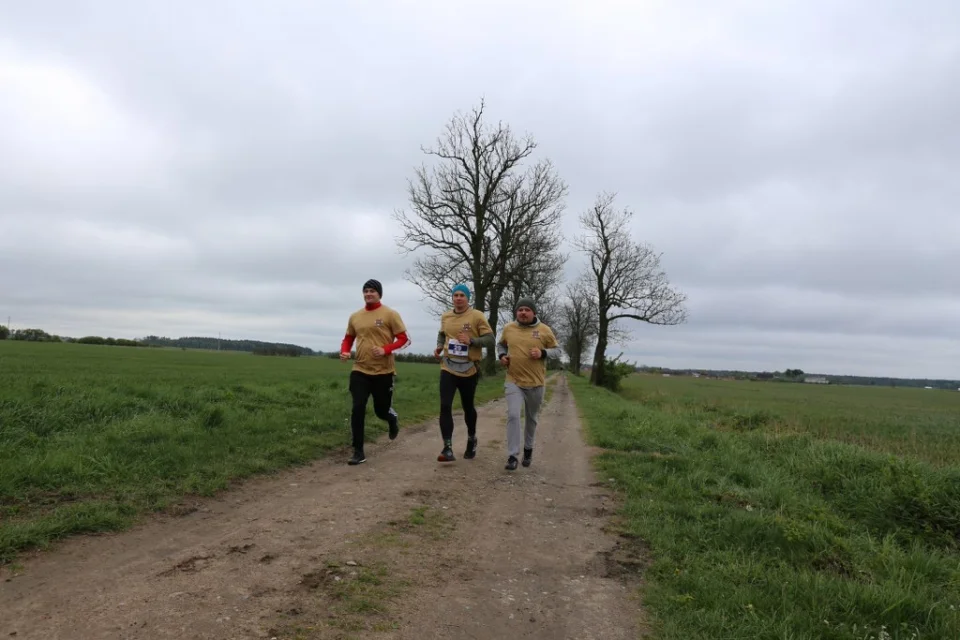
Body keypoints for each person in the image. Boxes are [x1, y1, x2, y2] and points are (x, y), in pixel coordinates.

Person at [339, 279, 409, 465]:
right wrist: (345, 350)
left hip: (383, 372)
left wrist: (386, 349)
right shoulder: (355, 316)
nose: (368, 294)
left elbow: (404, 339)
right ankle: (358, 450)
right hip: (360, 369)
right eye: (366, 291)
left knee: (381, 410)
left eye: (372, 291)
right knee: (358, 407)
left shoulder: (390, 314)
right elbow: (348, 338)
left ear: (379, 294)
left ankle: (391, 417)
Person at [496, 297, 562, 471]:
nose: (523, 312)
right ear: (516, 312)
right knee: (513, 415)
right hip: (513, 381)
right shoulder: (508, 328)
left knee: (531, 419)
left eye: (526, 310)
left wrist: (542, 352)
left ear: (533, 312)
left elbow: (558, 351)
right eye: (520, 310)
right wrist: (502, 356)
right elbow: (501, 345)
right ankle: (512, 456)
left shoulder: (544, 330)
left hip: (536, 383)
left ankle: (528, 449)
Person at [432, 283, 494, 462]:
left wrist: (472, 341)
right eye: (455, 295)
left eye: (462, 295)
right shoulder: (446, 316)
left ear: (468, 298)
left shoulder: (477, 316)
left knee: (468, 407)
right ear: (452, 298)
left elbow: (490, 339)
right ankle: (447, 448)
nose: (458, 298)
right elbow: (442, 334)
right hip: (448, 366)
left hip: (469, 368)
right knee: (445, 406)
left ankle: (471, 437)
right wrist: (438, 346)